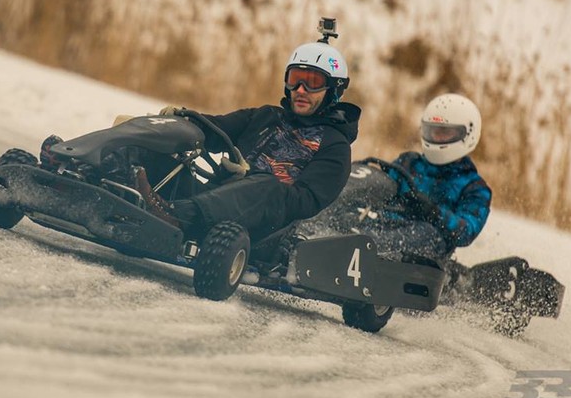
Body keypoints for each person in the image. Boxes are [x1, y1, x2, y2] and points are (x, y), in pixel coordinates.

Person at [43, 21, 361, 245]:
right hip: (207, 202)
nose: (300, 89)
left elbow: (305, 201)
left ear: (334, 90)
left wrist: (249, 179)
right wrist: (181, 119)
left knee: (267, 185)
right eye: (295, 79)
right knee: (165, 141)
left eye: (313, 82)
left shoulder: (335, 146)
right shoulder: (267, 116)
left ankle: (168, 215)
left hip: (261, 229)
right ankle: (82, 168)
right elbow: (214, 129)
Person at [327, 93, 491, 264]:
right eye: (432, 131)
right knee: (350, 211)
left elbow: (466, 232)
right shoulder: (409, 162)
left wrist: (432, 212)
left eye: (444, 133)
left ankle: (363, 248)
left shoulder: (474, 188)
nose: (437, 137)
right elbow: (383, 185)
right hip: (385, 222)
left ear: (468, 135)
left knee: (428, 233)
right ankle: (319, 234)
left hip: (424, 250)